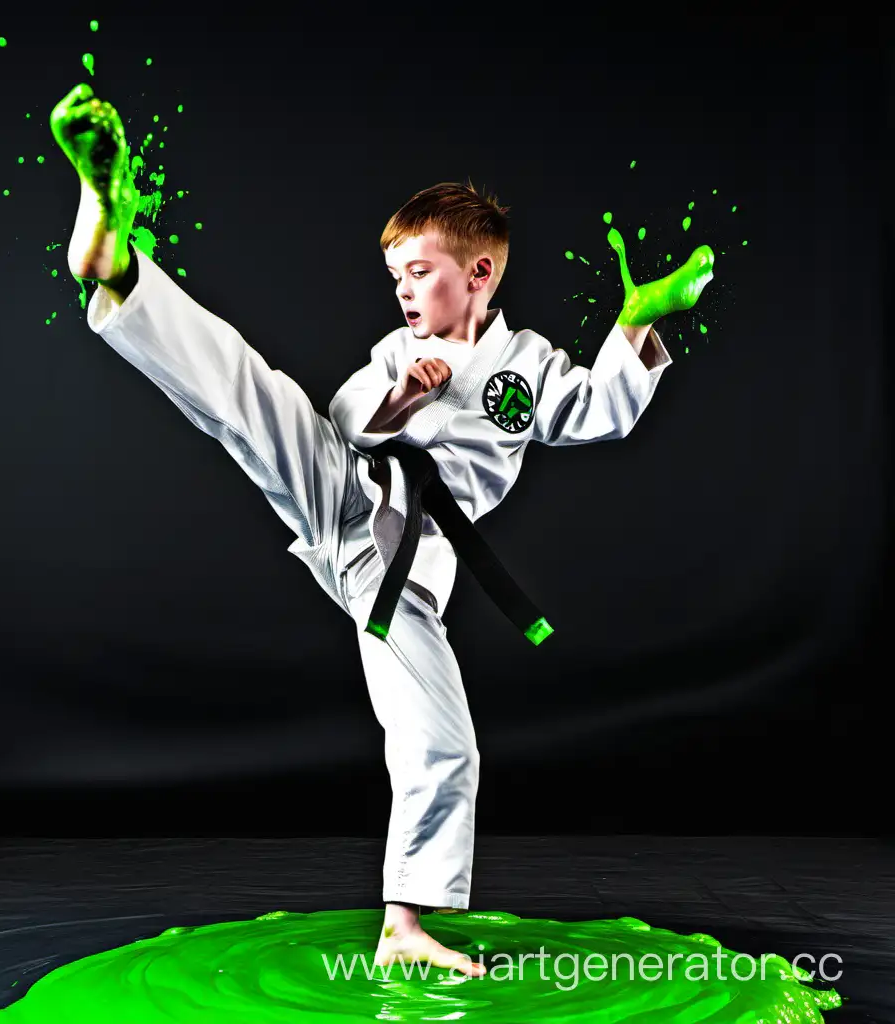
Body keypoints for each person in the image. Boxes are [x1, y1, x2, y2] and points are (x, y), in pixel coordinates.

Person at [49, 83, 713, 979]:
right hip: (348, 495)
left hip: (403, 575)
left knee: (444, 741)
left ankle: (405, 924)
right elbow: (346, 413)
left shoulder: (525, 367)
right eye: (395, 274)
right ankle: (119, 263)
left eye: (421, 272)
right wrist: (399, 398)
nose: (402, 289)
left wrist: (635, 324)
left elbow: (596, 411)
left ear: (480, 275)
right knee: (252, 399)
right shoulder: (401, 353)